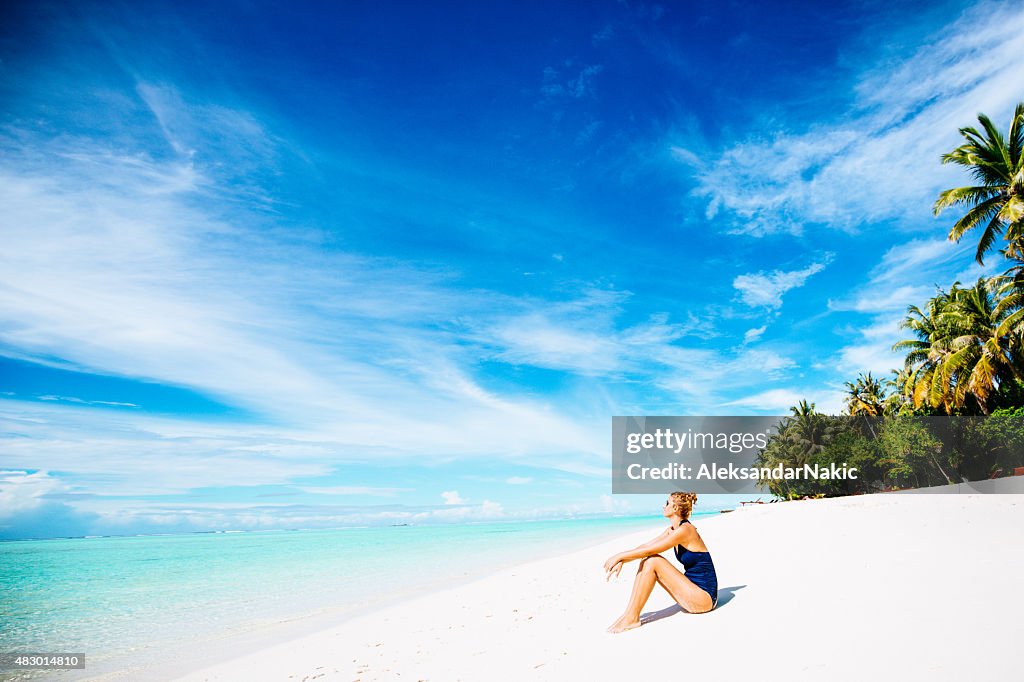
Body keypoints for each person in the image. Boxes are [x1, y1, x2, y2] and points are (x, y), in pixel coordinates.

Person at [603, 491, 718, 633]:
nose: (664, 506)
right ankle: (629, 614)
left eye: (667, 503)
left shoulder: (685, 530)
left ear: (675, 508)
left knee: (653, 561)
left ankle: (632, 618)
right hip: (692, 591)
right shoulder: (672, 530)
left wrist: (620, 556)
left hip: (704, 598)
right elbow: (646, 546)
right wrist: (622, 559)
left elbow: (649, 551)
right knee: (649, 560)